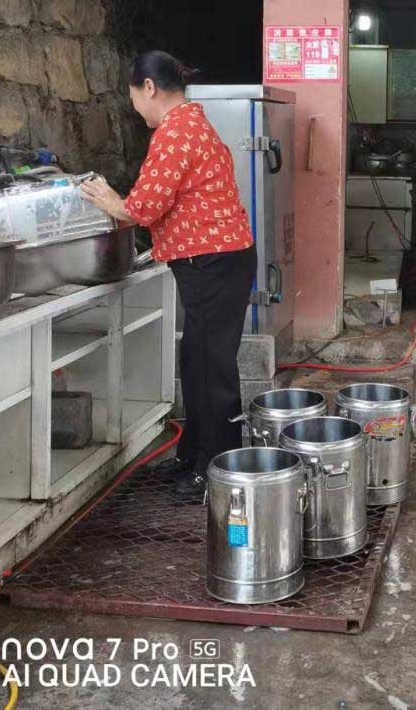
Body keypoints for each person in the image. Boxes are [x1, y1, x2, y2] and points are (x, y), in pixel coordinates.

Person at [81, 51, 255, 499]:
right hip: (214, 261)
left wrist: (106, 198)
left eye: (134, 97)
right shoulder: (191, 123)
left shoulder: (176, 131)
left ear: (149, 88)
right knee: (195, 361)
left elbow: (143, 207)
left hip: (214, 262)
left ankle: (218, 469)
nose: (135, 107)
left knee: (213, 368)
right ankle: (192, 456)